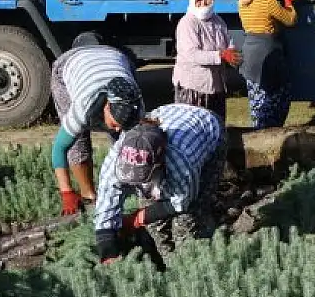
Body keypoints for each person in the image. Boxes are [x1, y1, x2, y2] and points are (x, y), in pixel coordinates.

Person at [94, 103, 224, 261]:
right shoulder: (116, 158)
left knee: (188, 223)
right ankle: (163, 264)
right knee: (154, 227)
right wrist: (108, 251)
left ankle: (194, 261)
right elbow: (105, 206)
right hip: (167, 115)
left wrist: (137, 218)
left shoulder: (181, 161)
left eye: (143, 178)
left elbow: (181, 203)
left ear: (159, 162)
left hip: (206, 127)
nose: (139, 185)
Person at [50, 44, 145, 215]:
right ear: (107, 107)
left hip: (115, 57)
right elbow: (59, 148)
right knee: (78, 142)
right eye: (115, 124)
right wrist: (67, 192)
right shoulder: (83, 106)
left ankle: (125, 189)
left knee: (129, 141)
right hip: (70, 64)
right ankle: (89, 195)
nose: (116, 130)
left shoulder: (137, 106)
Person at [237, 0, 299, 129]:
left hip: (249, 56)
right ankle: (271, 132)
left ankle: (258, 131)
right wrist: (289, 1)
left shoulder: (241, 4)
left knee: (257, 99)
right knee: (278, 96)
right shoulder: (268, 2)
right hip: (268, 54)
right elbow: (290, 20)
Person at [173, 0, 237, 121]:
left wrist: (232, 53)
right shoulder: (187, 22)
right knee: (194, 128)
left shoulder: (218, 20)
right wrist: (220, 55)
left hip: (216, 86)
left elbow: (229, 43)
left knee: (216, 127)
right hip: (193, 88)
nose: (203, 2)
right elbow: (192, 54)